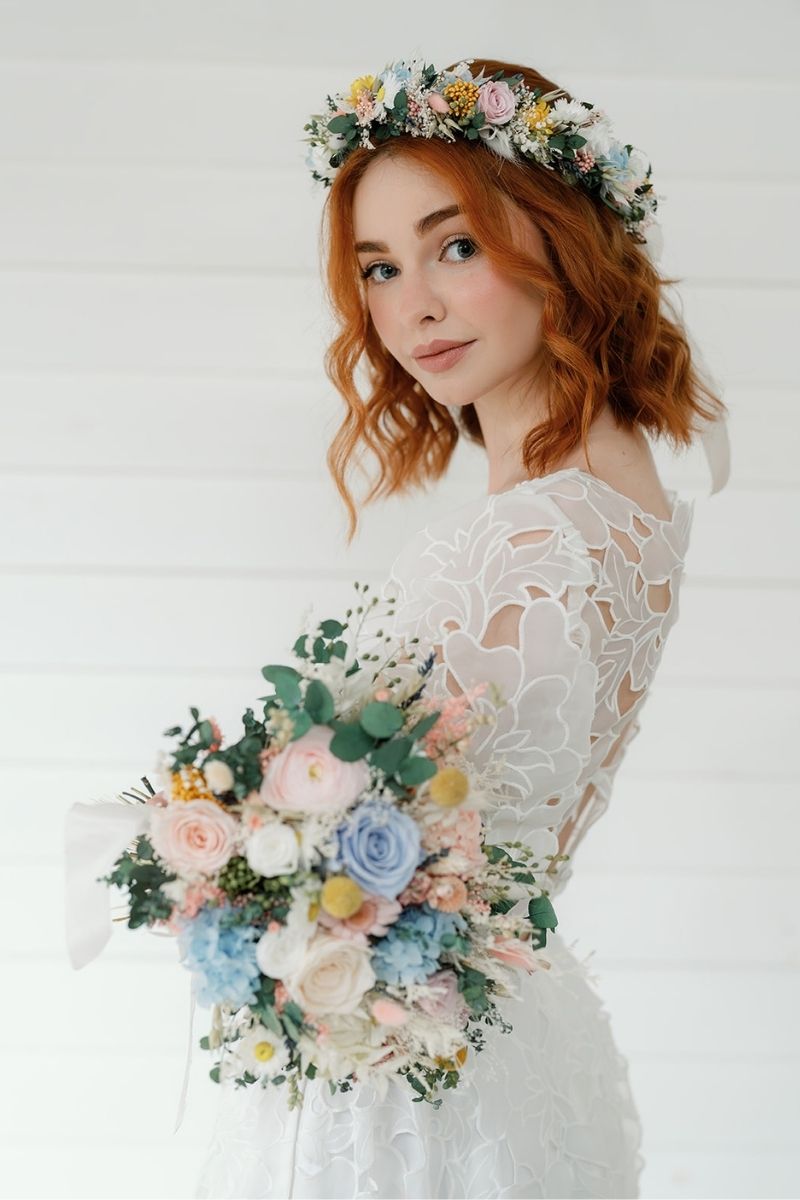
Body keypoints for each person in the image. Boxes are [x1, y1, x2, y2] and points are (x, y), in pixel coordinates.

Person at [194, 56, 730, 1199]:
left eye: (455, 247)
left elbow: (415, 834)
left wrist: (254, 864)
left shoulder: (522, 536)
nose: (413, 308)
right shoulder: (624, 502)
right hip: (503, 1036)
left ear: (559, 242)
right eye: (380, 269)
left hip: (405, 1080)